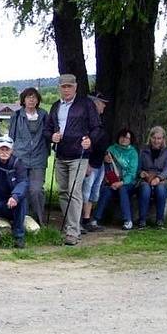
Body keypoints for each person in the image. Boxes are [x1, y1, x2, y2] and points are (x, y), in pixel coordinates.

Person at [43, 74, 101, 245]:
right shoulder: (55, 107)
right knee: (63, 192)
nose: (66, 89)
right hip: (61, 154)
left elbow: (97, 127)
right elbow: (47, 130)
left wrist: (90, 139)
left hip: (79, 155)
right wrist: (52, 136)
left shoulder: (86, 104)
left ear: (75, 87)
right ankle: (71, 226)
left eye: (69, 86)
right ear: (59, 88)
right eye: (63, 86)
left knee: (74, 191)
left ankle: (73, 232)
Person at [7, 87, 49, 224]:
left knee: (36, 190)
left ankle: (39, 222)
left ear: (38, 100)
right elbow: (11, 138)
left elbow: (48, 135)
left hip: (38, 159)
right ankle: (20, 221)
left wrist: (46, 152)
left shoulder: (44, 115)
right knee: (20, 189)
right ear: (23, 100)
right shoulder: (17, 115)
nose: (31, 100)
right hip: (20, 159)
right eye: (28, 97)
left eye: (34, 97)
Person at [93, 128, 139, 230]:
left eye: (127, 138)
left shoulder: (133, 153)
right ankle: (95, 219)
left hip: (128, 183)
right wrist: (104, 160)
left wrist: (121, 183)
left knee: (122, 190)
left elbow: (132, 173)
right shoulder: (111, 149)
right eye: (122, 137)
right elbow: (104, 168)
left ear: (131, 140)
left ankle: (127, 220)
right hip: (112, 182)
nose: (124, 140)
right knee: (106, 190)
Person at [81, 92, 110, 233]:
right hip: (90, 163)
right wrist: (87, 162)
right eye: (101, 102)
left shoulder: (98, 120)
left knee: (94, 193)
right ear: (94, 103)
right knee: (85, 192)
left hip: (100, 162)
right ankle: (82, 220)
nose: (104, 106)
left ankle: (88, 218)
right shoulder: (87, 121)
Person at [136, 126, 167, 229]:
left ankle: (159, 220)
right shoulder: (143, 151)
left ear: (163, 139)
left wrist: (158, 178)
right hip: (145, 179)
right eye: (154, 138)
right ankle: (142, 221)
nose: (156, 141)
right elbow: (138, 168)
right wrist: (141, 173)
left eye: (159, 138)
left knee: (161, 189)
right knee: (145, 189)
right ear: (150, 138)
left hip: (161, 179)